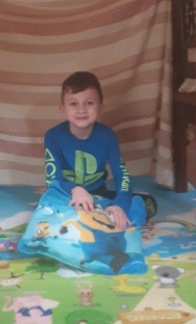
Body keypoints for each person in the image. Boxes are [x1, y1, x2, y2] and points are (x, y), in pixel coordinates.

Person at [44, 71, 155, 230]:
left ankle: (107, 214)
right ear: (63, 109)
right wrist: (75, 189)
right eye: (73, 104)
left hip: (98, 195)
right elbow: (52, 180)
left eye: (89, 103)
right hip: (68, 195)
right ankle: (92, 219)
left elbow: (121, 175)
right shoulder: (52, 136)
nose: (81, 110)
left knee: (145, 204)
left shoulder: (107, 136)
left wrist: (119, 205)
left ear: (100, 107)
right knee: (48, 207)